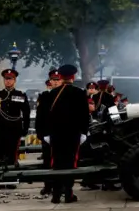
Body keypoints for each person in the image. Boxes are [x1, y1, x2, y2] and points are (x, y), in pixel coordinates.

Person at [45, 64, 90, 204]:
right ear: (73, 76)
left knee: (57, 163)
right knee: (70, 163)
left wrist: (46, 134)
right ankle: (68, 193)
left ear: (61, 76)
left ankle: (56, 194)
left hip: (56, 135)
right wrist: (84, 132)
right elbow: (84, 115)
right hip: (73, 135)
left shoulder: (52, 93)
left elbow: (46, 116)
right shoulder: (80, 93)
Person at [0, 69, 30, 190]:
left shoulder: (20, 95)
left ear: (14, 80)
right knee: (0, 155)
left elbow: (26, 113)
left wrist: (25, 128)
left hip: (14, 130)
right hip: (0, 130)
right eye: (6, 79)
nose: (8, 81)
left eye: (10, 79)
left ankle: (11, 179)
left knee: (12, 155)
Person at [36, 71, 60, 195]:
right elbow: (40, 116)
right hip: (47, 134)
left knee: (60, 161)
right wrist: (40, 134)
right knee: (47, 161)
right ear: (49, 81)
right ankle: (47, 186)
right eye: (53, 79)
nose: (55, 82)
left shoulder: (64, 95)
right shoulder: (44, 96)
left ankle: (58, 187)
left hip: (60, 134)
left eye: (57, 79)